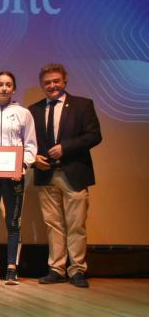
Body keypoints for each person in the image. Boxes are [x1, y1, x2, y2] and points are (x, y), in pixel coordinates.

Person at [29, 63, 101, 288]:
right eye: (47, 82)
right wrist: (34, 159)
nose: (52, 86)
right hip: (46, 175)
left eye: (56, 81)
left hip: (74, 173)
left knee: (76, 225)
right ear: (42, 84)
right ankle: (57, 268)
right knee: (53, 225)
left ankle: (77, 269)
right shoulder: (34, 109)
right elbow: (29, 142)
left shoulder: (82, 105)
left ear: (65, 80)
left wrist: (65, 148)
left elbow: (94, 136)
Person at [0, 71, 37, 285]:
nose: (4, 88)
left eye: (8, 85)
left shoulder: (23, 114)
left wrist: (23, 165)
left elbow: (30, 145)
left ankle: (12, 268)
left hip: (14, 177)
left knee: (13, 223)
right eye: (0, 84)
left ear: (14, 89)